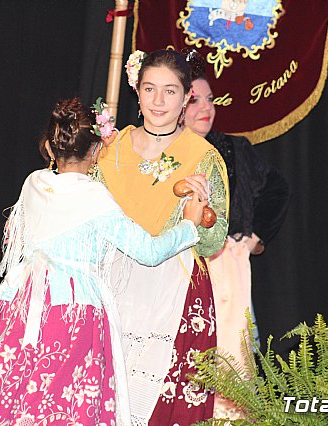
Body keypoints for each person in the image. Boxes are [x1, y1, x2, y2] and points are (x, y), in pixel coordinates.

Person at [0, 98, 209, 426]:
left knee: (10, 395)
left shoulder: (34, 184)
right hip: (72, 312)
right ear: (96, 151)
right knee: (64, 405)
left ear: (52, 147)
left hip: (21, 306)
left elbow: (15, 236)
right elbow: (148, 252)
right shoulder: (95, 198)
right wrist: (189, 225)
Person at [94, 49, 230, 425]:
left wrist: (196, 212)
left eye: (170, 91)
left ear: (187, 96)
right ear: (136, 91)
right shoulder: (110, 151)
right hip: (113, 287)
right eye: (150, 88)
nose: (158, 101)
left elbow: (213, 241)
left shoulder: (202, 157)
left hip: (177, 290)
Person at [183, 52, 291, 401]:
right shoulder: (161, 151)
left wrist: (253, 239)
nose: (206, 108)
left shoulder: (233, 148)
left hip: (225, 268)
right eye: (194, 99)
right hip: (175, 267)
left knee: (230, 359)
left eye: (210, 99)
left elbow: (278, 189)